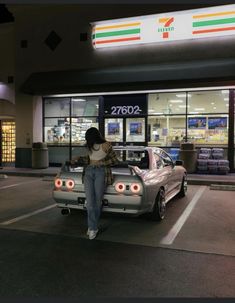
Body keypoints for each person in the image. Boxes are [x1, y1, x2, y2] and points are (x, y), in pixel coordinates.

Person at [72, 127, 119, 240]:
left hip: (101, 172)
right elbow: (89, 159)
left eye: (88, 137)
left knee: (97, 201)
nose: (87, 140)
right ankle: (93, 227)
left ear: (93, 136)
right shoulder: (89, 145)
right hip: (88, 172)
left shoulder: (106, 145)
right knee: (90, 202)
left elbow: (115, 160)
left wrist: (102, 162)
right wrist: (78, 159)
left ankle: (92, 227)